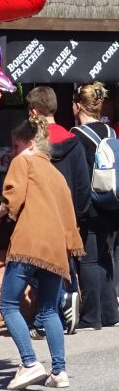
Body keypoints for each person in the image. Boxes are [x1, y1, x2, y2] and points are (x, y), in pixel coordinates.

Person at [0, 116, 84, 390]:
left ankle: (29, 363)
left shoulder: (24, 161)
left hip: (29, 244)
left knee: (8, 304)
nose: (13, 153)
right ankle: (60, 372)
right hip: (55, 249)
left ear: (30, 144)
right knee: (50, 309)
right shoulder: (57, 174)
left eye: (16, 146)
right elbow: (69, 216)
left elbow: (12, 197)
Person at [26, 86, 89, 335]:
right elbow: (83, 184)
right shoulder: (74, 142)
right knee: (64, 262)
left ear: (33, 111)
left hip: (40, 213)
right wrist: (79, 215)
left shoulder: (33, 144)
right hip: (68, 213)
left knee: (37, 267)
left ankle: (51, 313)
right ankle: (68, 297)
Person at [71, 82, 119, 329]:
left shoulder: (77, 136)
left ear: (78, 107)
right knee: (106, 255)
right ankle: (111, 314)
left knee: (88, 260)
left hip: (90, 205)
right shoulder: (111, 133)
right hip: (112, 202)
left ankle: (92, 316)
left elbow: (78, 176)